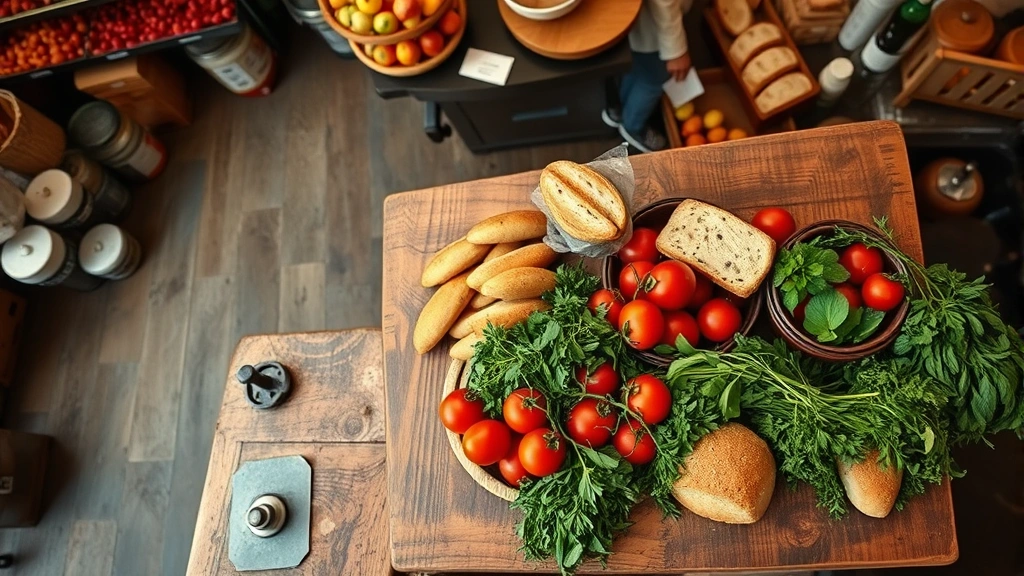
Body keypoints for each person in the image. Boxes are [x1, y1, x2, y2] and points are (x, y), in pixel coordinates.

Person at [603, 0, 694, 153]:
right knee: (654, 79)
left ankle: (621, 111)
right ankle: (633, 125)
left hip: (628, 21)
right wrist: (676, 50)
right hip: (653, 27)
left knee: (637, 69)